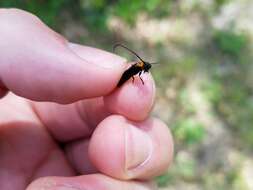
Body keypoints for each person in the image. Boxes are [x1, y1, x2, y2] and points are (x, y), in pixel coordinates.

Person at [0, 8, 173, 190]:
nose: (146, 69)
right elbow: (134, 73)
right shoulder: (136, 68)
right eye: (146, 68)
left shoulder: (138, 68)